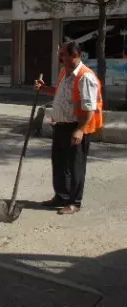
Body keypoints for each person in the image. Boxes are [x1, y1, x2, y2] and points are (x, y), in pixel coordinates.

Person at [34, 41, 103, 215]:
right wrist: (43, 89)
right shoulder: (65, 72)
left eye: (63, 54)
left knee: (75, 167)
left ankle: (74, 202)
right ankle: (61, 196)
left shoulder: (85, 77)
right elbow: (59, 92)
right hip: (60, 126)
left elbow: (89, 108)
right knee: (59, 164)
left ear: (74, 55)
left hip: (76, 127)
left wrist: (80, 130)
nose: (60, 57)